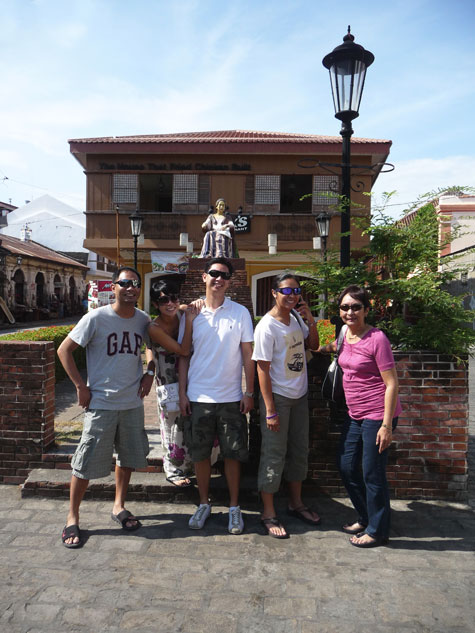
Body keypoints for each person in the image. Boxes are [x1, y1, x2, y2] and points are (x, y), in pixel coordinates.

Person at [58, 266, 155, 548]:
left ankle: (119, 506)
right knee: (85, 461)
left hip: (131, 403)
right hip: (101, 402)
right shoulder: (96, 318)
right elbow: (64, 350)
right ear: (113, 287)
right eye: (124, 283)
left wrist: (149, 372)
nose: (130, 288)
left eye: (135, 283)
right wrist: (80, 385)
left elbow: (151, 346)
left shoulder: (143, 320)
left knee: (126, 458)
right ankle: (72, 517)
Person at [318, 285, 401, 548]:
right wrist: (314, 333)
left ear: (366, 309)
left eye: (356, 307)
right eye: (344, 307)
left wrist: (386, 425)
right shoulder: (344, 333)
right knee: (345, 466)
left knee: (372, 473)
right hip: (354, 414)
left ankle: (378, 531)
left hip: (378, 415)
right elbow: (332, 347)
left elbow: (392, 384)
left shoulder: (377, 339)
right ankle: (366, 516)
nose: (350, 312)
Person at [178, 257, 254, 534]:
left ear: (230, 281)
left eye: (223, 275)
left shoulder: (240, 313)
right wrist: (183, 393)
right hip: (198, 396)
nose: (218, 279)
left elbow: (248, 355)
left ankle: (234, 507)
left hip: (231, 397)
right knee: (200, 455)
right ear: (204, 277)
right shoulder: (192, 313)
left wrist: (249, 391)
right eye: (213, 273)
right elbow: (184, 356)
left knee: (233, 454)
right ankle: (203, 503)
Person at [252, 272, 320, 538]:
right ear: (274, 293)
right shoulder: (267, 326)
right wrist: (270, 409)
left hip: (299, 395)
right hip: (278, 397)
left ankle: (295, 502)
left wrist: (310, 320)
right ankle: (268, 512)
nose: (291, 296)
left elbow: (311, 344)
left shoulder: (294, 318)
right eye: (286, 291)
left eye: (296, 291)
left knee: (299, 451)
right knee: (273, 454)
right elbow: (262, 370)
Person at [148, 280, 202, 487]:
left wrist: (195, 305)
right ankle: (174, 470)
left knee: (190, 419)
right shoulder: (154, 327)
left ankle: (193, 464)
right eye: (163, 300)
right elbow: (183, 350)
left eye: (173, 298)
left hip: (191, 375)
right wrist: (188, 322)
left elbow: (198, 305)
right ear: (155, 304)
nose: (169, 303)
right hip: (168, 378)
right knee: (172, 423)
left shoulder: (181, 311)